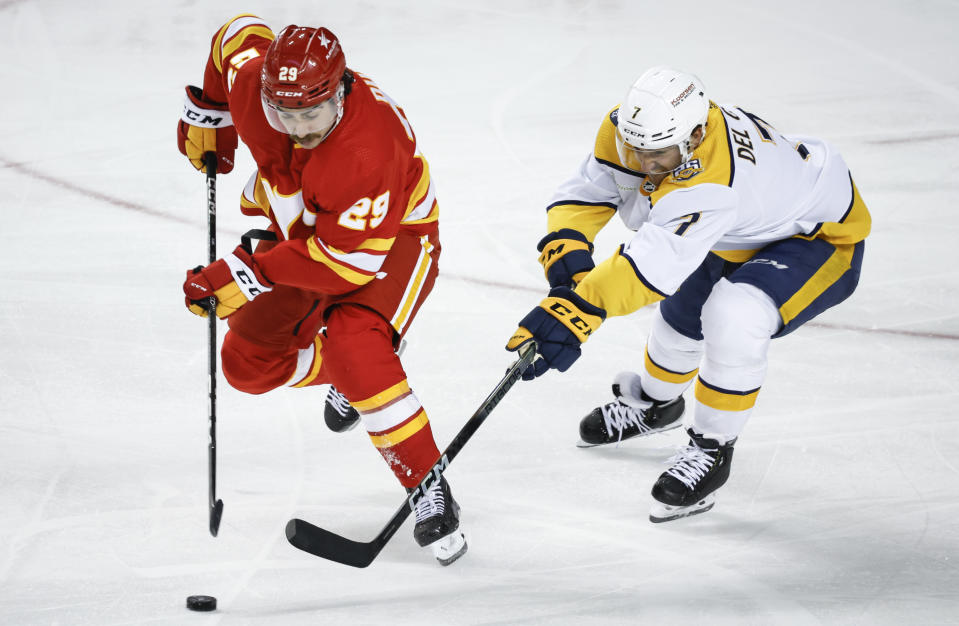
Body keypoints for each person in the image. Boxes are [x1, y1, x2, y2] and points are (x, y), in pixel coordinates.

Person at [506, 66, 870, 522]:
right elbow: (593, 188)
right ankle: (657, 404)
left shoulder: (712, 183)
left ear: (696, 135)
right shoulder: (635, 127)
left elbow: (647, 269)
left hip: (817, 238)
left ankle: (712, 448)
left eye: (655, 156)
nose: (642, 165)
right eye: (634, 150)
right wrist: (567, 246)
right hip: (743, 225)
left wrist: (577, 311)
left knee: (734, 315)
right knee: (683, 313)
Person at [177, 14, 466, 565]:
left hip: (391, 243)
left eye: (312, 113)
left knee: (355, 341)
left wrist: (248, 271)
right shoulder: (253, 82)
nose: (299, 126)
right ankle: (350, 373)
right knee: (245, 363)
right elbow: (234, 37)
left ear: (340, 91)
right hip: (309, 233)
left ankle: (426, 482)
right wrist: (209, 111)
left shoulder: (366, 149)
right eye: (284, 113)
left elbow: (344, 267)